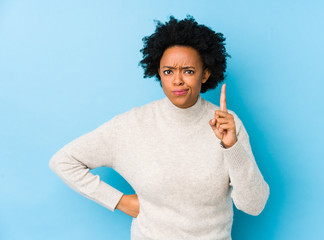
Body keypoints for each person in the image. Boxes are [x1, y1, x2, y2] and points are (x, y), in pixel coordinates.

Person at [49, 15, 270, 240]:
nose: (177, 81)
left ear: (205, 74)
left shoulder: (227, 125)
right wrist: (119, 201)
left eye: (189, 71)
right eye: (168, 71)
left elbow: (254, 205)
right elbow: (63, 161)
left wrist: (231, 146)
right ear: (158, 74)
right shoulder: (132, 124)